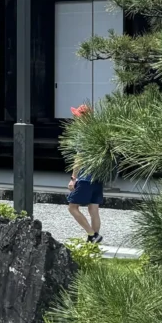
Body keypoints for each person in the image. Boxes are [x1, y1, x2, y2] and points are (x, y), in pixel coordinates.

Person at [65, 103, 103, 245]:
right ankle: (94, 240)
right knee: (94, 209)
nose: (75, 119)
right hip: (98, 176)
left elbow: (79, 158)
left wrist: (73, 178)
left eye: (77, 116)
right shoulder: (97, 132)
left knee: (72, 207)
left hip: (85, 177)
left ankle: (92, 234)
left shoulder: (83, 134)